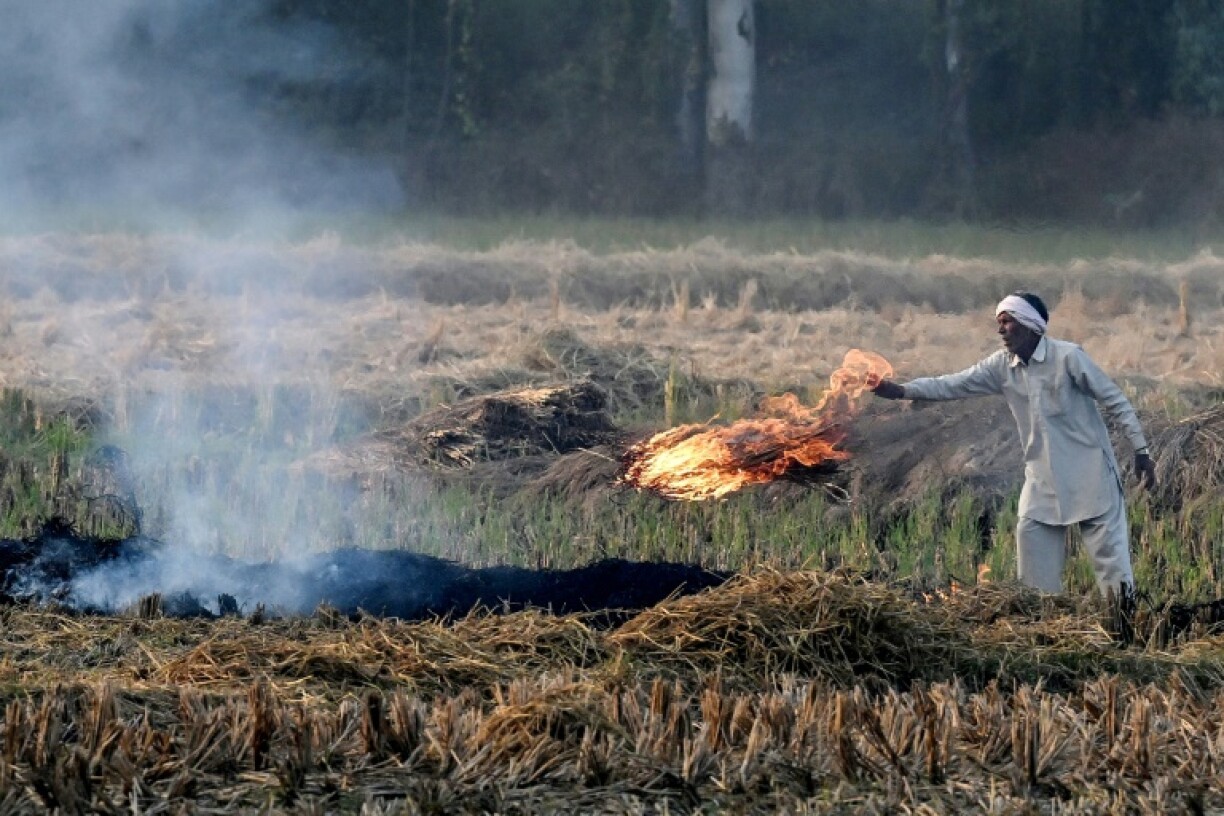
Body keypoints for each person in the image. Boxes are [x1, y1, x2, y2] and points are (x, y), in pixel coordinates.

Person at [870, 292, 1157, 596]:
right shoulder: (1001, 366)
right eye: (999, 322)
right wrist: (902, 390)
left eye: (1007, 321)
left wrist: (1142, 451)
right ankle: (1042, 628)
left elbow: (1116, 400)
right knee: (1032, 560)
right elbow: (952, 383)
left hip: (1091, 476)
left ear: (1028, 324)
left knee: (1112, 569)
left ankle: (1124, 629)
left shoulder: (1068, 357)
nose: (1000, 330)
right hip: (1043, 480)